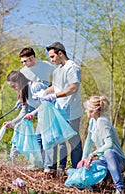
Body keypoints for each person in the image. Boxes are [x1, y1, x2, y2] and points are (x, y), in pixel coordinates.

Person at [31, 42, 83, 174]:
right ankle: (51, 168)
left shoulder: (72, 68)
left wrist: (55, 96)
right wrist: (44, 93)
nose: (51, 60)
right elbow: (56, 86)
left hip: (71, 110)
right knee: (53, 138)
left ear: (61, 53)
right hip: (58, 110)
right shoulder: (58, 70)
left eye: (53, 56)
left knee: (74, 142)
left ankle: (76, 171)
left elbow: (73, 87)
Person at [77, 96, 125, 194]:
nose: (85, 111)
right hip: (104, 162)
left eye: (87, 108)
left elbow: (109, 145)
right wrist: (83, 160)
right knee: (87, 166)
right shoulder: (93, 121)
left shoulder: (103, 122)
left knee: (108, 152)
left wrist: (92, 154)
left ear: (94, 110)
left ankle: (120, 188)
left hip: (117, 161)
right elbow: (88, 142)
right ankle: (88, 187)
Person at [3, 70, 48, 170]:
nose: (14, 89)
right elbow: (23, 112)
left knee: (43, 140)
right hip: (41, 115)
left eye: (13, 86)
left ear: (19, 81)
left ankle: (46, 166)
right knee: (33, 136)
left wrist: (33, 113)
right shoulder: (23, 92)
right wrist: (12, 123)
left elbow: (46, 104)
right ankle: (39, 164)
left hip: (51, 113)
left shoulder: (35, 87)